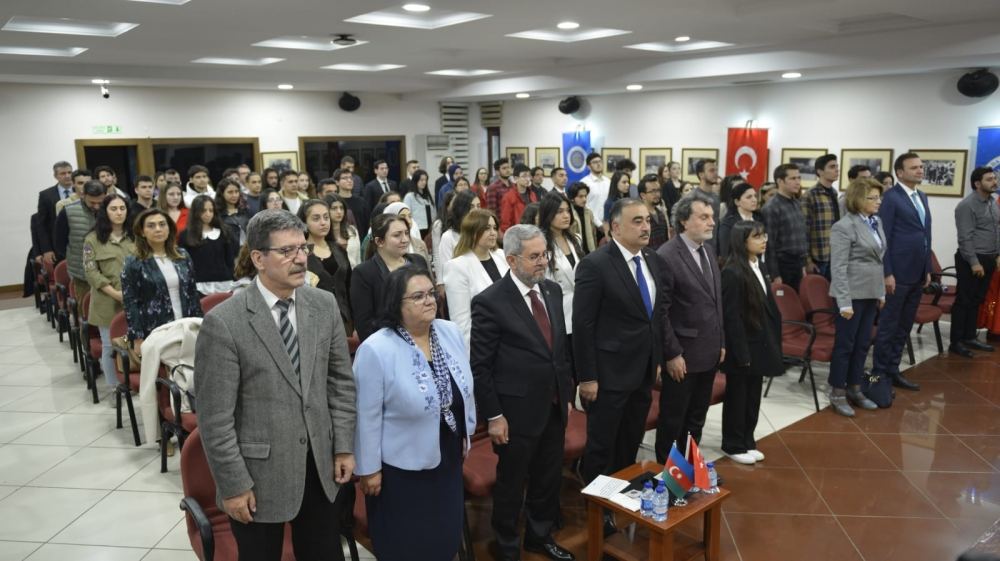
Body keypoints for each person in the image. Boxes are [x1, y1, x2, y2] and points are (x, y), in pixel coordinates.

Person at [195, 209, 356, 561]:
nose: (300, 258)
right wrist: (234, 485)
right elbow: (215, 419)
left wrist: (343, 446)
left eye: (303, 248)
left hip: (320, 467)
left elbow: (340, 383)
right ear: (258, 259)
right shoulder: (224, 323)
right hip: (258, 475)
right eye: (286, 251)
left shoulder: (323, 304)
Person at [354, 267, 475, 561]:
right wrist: (369, 469)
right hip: (400, 469)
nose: (429, 300)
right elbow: (365, 416)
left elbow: (463, 389)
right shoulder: (376, 349)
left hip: (447, 454)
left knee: (444, 537)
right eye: (418, 296)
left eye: (431, 293)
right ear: (396, 304)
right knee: (408, 545)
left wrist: (466, 433)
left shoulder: (449, 331)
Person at [470, 225, 575, 561]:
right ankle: (506, 546)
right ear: (512, 260)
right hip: (514, 414)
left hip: (554, 405)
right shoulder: (490, 301)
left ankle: (539, 536)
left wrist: (565, 395)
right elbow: (481, 367)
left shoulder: (552, 291)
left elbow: (559, 352)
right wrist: (494, 416)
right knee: (512, 483)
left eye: (544, 254)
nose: (542, 261)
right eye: (534, 256)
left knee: (548, 477)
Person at [574, 199, 663, 535]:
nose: (646, 227)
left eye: (647, 220)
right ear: (615, 227)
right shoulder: (595, 264)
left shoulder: (651, 259)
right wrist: (587, 377)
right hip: (608, 373)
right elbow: (583, 325)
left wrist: (656, 359)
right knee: (602, 445)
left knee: (630, 438)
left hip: (642, 370)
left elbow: (655, 317)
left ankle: (623, 492)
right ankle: (598, 508)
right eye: (637, 221)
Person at [655, 191, 724, 462]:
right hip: (682, 355)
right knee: (674, 420)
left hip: (708, 350)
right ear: (684, 221)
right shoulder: (667, 255)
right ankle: (669, 473)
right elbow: (661, 312)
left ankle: (689, 466)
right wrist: (672, 353)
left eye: (712, 217)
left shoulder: (708, 250)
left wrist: (720, 341)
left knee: (696, 418)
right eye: (704, 217)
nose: (712, 223)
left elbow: (716, 301)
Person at [720, 221, 783, 461]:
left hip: (760, 343)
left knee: (753, 396)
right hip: (743, 346)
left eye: (764, 235)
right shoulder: (732, 271)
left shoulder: (759, 265)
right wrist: (741, 352)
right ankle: (733, 444)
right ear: (742, 241)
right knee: (738, 398)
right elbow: (732, 317)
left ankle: (748, 440)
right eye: (757, 236)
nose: (763, 240)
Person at [871, 152, 930, 392]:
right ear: (900, 172)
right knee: (889, 326)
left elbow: (925, 235)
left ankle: (893, 370)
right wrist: (887, 272)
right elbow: (882, 238)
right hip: (896, 273)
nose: (920, 170)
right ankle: (878, 376)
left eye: (921, 166)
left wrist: (927, 268)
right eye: (914, 167)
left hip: (917, 272)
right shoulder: (891, 198)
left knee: (904, 326)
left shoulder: (921, 196)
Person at [828, 178, 886, 416]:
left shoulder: (876, 221)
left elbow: (878, 260)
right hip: (850, 295)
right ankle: (837, 391)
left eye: (879, 197)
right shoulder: (844, 226)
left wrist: (880, 291)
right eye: (873, 198)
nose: (878, 201)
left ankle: (855, 387)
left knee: (863, 344)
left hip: (870, 293)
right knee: (845, 345)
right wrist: (844, 302)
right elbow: (838, 267)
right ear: (858, 199)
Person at [121, 208, 203, 354]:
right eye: (151, 226)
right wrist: (137, 338)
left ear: (169, 228)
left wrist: (200, 324)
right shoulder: (134, 262)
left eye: (162, 224)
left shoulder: (182, 256)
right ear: (142, 232)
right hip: (155, 330)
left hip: (186, 325)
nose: (158, 229)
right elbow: (130, 302)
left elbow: (192, 293)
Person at [82, 194, 136, 391]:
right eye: (113, 209)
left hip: (135, 300)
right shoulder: (92, 239)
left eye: (122, 208)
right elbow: (91, 272)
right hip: (106, 302)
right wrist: (115, 293)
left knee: (136, 343)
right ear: (105, 212)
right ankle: (115, 387)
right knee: (109, 346)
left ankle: (133, 382)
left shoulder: (135, 236)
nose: (119, 213)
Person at [350, 214, 431, 341]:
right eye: (397, 235)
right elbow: (364, 325)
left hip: (424, 336)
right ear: (379, 241)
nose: (405, 239)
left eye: (406, 233)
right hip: (388, 341)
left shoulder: (418, 261)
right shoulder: (364, 273)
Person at [949, 166, 1000, 357]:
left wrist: (997, 255)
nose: (994, 182)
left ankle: (969, 337)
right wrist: (974, 262)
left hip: (989, 258)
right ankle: (956, 342)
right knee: (964, 300)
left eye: (994, 178)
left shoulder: (992, 202)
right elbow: (965, 238)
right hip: (971, 259)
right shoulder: (967, 205)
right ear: (977, 183)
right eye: (989, 179)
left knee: (977, 300)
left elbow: (997, 230)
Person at [443, 209, 508, 349]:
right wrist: (471, 355)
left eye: (494, 228)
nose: (493, 233)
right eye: (487, 228)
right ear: (472, 232)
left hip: (509, 338)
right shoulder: (457, 266)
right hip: (483, 343)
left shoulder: (501, 256)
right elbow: (461, 321)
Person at [299, 199, 353, 335]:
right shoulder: (300, 252)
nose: (323, 222)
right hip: (314, 323)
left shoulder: (338, 249)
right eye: (316, 218)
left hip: (344, 320)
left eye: (326, 217)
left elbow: (349, 287)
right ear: (304, 222)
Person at [54, 180, 107, 316]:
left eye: (100, 202)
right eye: (92, 202)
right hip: (81, 272)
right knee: (86, 311)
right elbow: (60, 243)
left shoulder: (111, 209)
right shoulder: (68, 211)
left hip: (108, 270)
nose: (96, 206)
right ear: (83, 195)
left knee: (108, 312)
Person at [539, 192, 582, 341]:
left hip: (582, 309)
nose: (566, 216)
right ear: (548, 214)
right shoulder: (541, 244)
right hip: (558, 312)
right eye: (559, 212)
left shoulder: (576, 239)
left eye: (568, 211)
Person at [761, 163, 808, 290]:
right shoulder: (771, 207)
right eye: (793, 178)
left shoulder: (797, 204)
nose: (798, 182)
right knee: (784, 301)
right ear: (780, 181)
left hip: (798, 264)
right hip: (783, 266)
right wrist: (775, 274)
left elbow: (801, 237)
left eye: (799, 178)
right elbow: (769, 244)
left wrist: (803, 266)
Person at [180, 195, 238, 293]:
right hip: (199, 286)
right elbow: (185, 264)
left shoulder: (225, 232)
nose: (208, 214)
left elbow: (230, 259)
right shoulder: (186, 235)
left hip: (225, 283)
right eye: (203, 210)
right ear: (195, 212)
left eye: (211, 210)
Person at [801, 154, 841, 279]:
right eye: (832, 167)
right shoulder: (810, 195)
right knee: (819, 290)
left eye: (837, 166)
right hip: (819, 256)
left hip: (835, 254)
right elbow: (804, 230)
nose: (837, 170)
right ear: (820, 171)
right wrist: (808, 260)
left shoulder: (834, 193)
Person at [434, 191, 480, 283]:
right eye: (472, 207)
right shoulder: (448, 237)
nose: (476, 210)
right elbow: (446, 268)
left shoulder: (481, 232)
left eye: (478, 206)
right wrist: (440, 282)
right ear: (462, 209)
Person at [36, 161, 76, 265]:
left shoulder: (81, 191)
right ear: (55, 176)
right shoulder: (46, 195)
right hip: (57, 246)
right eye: (63, 173)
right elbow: (42, 225)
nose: (67, 176)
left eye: (69, 172)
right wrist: (46, 249)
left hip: (79, 242)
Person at [500, 164, 543, 234]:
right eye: (524, 176)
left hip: (531, 232)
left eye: (529, 176)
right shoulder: (508, 197)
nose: (528, 179)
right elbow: (505, 222)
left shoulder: (532, 194)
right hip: (516, 233)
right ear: (516, 178)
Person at [324, 193, 362, 269]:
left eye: (341, 208)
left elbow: (358, 259)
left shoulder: (352, 230)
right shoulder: (323, 234)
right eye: (334, 208)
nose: (339, 211)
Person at [333, 168, 371, 237]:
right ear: (337, 182)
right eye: (345, 178)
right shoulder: (335, 202)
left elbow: (367, 224)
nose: (349, 180)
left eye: (350, 178)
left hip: (361, 239)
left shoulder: (361, 202)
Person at [694, 159, 722, 250]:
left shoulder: (716, 198)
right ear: (701, 174)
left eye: (716, 170)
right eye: (711, 170)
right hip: (697, 247)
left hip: (713, 248)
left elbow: (717, 225)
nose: (715, 173)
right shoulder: (693, 197)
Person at [581, 153, 611, 235]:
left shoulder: (608, 181)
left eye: (600, 161)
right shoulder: (584, 182)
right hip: (591, 224)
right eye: (594, 162)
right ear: (588, 166)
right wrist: (598, 224)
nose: (598, 164)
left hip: (608, 224)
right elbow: (585, 205)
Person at [215, 178, 250, 247]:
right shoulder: (217, 214)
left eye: (236, 191)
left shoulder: (245, 211)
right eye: (230, 192)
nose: (234, 195)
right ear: (222, 193)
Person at [637, 174, 669, 250]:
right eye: (653, 191)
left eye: (658, 190)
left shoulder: (660, 214)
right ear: (643, 195)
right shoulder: (638, 216)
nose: (657, 194)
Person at [402, 169, 436, 238]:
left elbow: (433, 212)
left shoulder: (428, 196)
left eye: (425, 180)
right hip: (417, 228)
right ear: (416, 180)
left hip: (430, 228)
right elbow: (406, 213)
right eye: (421, 180)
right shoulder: (409, 196)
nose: (424, 182)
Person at [567, 182, 597, 255]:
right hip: (575, 252)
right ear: (572, 198)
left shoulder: (589, 213)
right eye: (580, 196)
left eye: (585, 196)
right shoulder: (568, 214)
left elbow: (593, 234)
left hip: (589, 252)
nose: (584, 199)